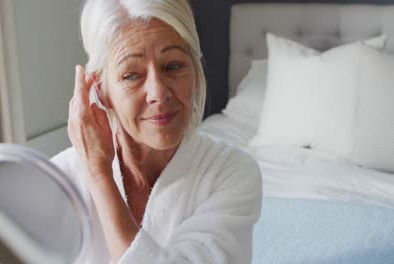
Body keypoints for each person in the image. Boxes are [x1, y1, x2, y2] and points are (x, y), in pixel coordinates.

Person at [50, 0, 262, 263]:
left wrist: (99, 177)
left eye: (173, 66)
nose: (159, 94)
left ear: (195, 72)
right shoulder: (57, 181)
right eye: (131, 76)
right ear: (100, 90)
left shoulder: (232, 173)